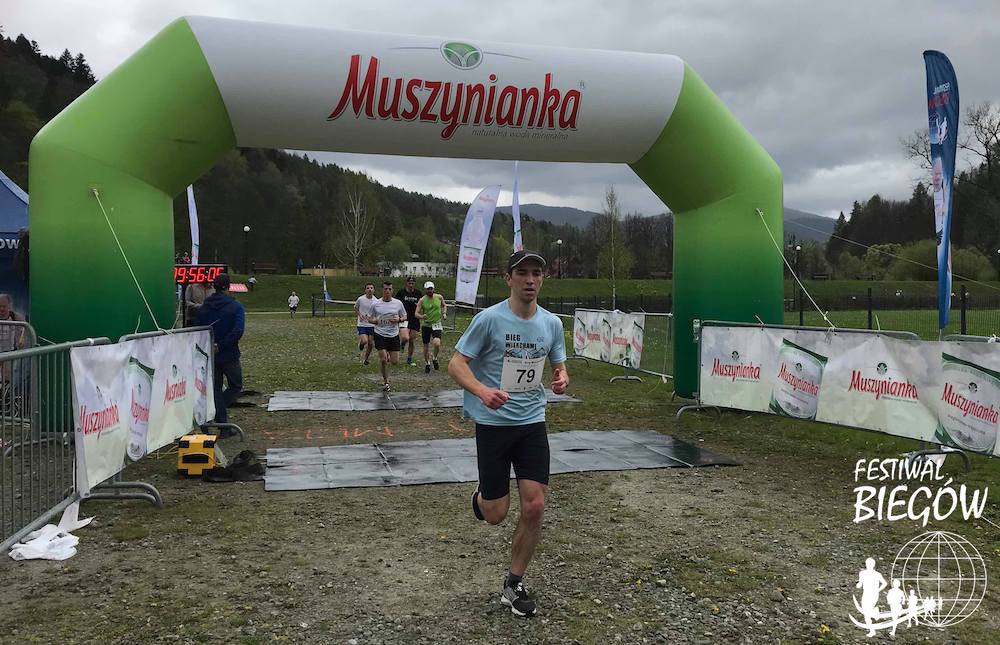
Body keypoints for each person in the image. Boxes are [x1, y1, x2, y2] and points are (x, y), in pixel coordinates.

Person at [447, 250, 569, 618]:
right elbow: (456, 364)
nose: (530, 280)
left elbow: (559, 365)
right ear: (509, 278)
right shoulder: (489, 319)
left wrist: (561, 378)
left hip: (532, 423)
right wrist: (482, 391)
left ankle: (513, 584)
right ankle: (483, 497)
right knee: (496, 514)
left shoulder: (551, 323)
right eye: (522, 273)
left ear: (542, 279)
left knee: (535, 505)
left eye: (536, 273)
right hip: (494, 425)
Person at [196, 273, 245, 424]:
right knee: (235, 385)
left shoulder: (204, 307)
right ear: (228, 287)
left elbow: (198, 329)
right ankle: (219, 411)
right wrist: (222, 345)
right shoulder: (236, 306)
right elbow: (238, 330)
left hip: (210, 353)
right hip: (229, 353)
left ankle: (221, 421)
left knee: (216, 388)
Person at [368, 281, 406, 392]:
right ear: (382, 290)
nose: (387, 291)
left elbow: (405, 316)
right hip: (380, 334)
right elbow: (369, 318)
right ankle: (386, 381)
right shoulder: (376, 304)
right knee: (383, 360)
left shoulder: (398, 303)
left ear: (392, 291)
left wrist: (399, 319)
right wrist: (374, 321)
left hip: (393, 335)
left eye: (389, 289)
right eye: (385, 289)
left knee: (394, 361)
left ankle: (388, 354)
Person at [415, 280, 448, 374]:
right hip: (426, 325)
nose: (430, 291)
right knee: (426, 345)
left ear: (434, 289)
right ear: (425, 290)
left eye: (431, 289)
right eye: (428, 289)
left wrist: (444, 313)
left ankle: (435, 358)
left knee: (437, 343)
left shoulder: (439, 297)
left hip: (436, 324)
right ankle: (427, 363)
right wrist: (422, 316)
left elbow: (444, 305)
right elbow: (416, 313)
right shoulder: (422, 300)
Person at [399, 276, 422, 366]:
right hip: (405, 318)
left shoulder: (418, 293)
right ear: (406, 283)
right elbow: (397, 304)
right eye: (409, 283)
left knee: (412, 339)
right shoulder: (401, 292)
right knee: (406, 338)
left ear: (414, 284)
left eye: (412, 283)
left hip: (414, 319)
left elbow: (422, 304)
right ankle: (402, 343)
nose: (411, 285)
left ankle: (409, 358)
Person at [354, 283, 377, 365]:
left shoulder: (376, 301)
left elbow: (378, 312)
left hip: (372, 325)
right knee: (365, 341)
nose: (370, 289)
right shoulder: (360, 299)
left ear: (374, 290)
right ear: (365, 290)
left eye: (371, 288)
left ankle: (366, 359)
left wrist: (374, 318)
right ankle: (361, 343)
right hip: (362, 324)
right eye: (368, 288)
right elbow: (356, 308)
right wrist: (360, 315)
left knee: (371, 343)